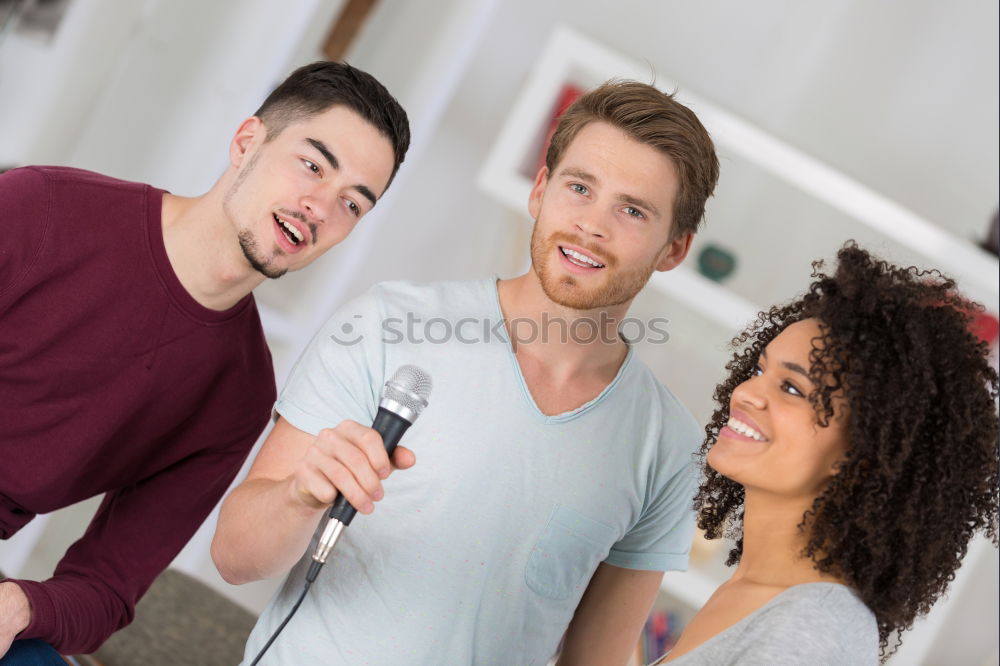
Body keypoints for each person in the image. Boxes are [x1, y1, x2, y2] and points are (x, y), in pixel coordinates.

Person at [211, 80, 721, 664]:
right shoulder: (385, 326)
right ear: (540, 190)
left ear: (673, 250)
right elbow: (233, 555)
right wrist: (300, 497)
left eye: (632, 210)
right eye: (579, 188)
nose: (591, 225)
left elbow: (595, 658)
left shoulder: (669, 446)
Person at [0, 60, 410, 661]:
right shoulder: (40, 208)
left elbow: (108, 589)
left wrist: (24, 606)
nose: (321, 206)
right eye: (313, 165)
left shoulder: (237, 396)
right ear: (247, 143)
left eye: (353, 203)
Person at [653, 243, 999, 664]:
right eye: (761, 370)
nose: (745, 394)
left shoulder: (812, 626)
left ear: (862, 452)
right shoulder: (762, 595)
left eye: (793, 389)